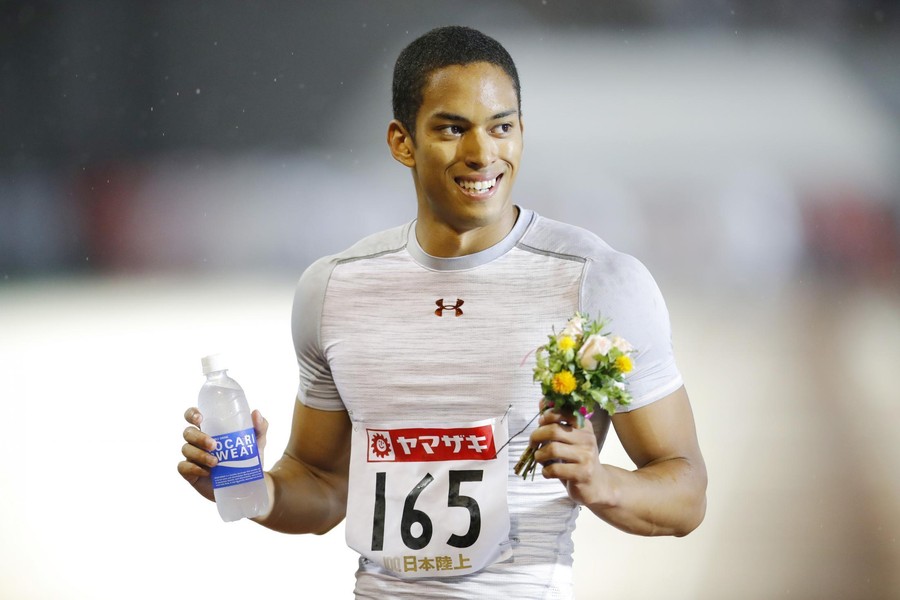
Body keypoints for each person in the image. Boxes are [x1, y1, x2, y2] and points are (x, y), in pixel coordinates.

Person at [179, 25, 707, 599]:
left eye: (501, 127)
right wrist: (250, 488)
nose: (482, 154)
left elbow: (686, 495)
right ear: (402, 142)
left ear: (521, 133)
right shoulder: (332, 288)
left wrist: (601, 482)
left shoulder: (599, 281)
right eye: (453, 129)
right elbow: (324, 485)